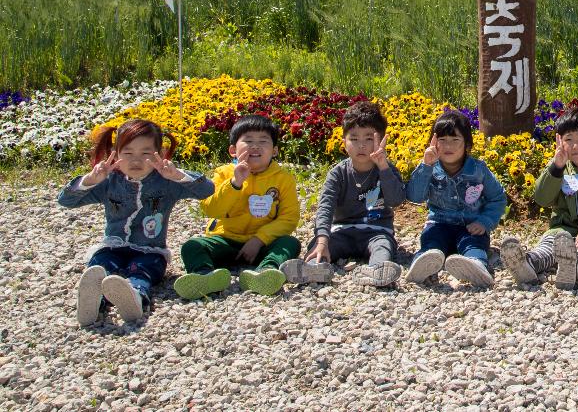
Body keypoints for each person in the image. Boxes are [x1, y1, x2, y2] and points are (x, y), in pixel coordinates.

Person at [57, 119, 213, 326]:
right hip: (113, 245)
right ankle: (94, 301)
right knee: (100, 265)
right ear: (116, 152)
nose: (136, 161)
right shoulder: (109, 182)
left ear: (160, 152)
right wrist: (90, 180)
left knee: (142, 270)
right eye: (128, 153)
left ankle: (135, 298)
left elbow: (207, 190)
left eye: (146, 153)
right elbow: (66, 200)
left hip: (150, 250)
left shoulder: (167, 182)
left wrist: (177, 175)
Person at [175, 115, 301, 299]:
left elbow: (289, 218)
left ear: (274, 151)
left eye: (263, 141)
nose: (255, 146)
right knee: (192, 246)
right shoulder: (223, 173)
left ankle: (265, 271)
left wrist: (259, 239)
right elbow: (211, 209)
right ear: (233, 150)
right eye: (248, 141)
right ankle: (204, 276)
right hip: (224, 240)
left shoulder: (283, 179)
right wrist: (235, 183)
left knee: (290, 243)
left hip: (262, 245)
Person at [499, 107, 578, 289]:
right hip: (563, 228)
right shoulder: (559, 167)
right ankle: (528, 263)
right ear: (559, 142)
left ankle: (575, 267)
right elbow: (542, 198)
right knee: (549, 245)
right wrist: (556, 168)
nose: (575, 146)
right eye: (568, 139)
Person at [286, 101, 406, 287]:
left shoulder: (387, 169)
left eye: (369, 139)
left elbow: (396, 200)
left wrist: (383, 167)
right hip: (342, 229)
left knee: (383, 247)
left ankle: (377, 271)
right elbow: (325, 207)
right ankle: (314, 269)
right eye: (354, 139)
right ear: (344, 142)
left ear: (381, 140)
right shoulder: (338, 173)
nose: (361, 146)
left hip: (377, 231)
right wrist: (322, 239)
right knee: (320, 245)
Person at [404, 110, 507, 288]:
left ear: (467, 144)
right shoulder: (430, 167)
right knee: (431, 242)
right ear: (433, 143)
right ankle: (423, 265)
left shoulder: (478, 169)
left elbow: (497, 198)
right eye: (442, 140)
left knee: (474, 243)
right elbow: (414, 196)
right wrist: (426, 165)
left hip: (470, 225)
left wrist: (484, 222)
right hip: (439, 223)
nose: (448, 146)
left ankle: (476, 266)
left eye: (455, 140)